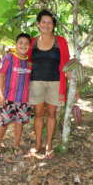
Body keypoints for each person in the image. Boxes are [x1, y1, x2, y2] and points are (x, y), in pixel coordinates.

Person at [28, 9, 70, 158]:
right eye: (43, 22)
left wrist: (68, 86)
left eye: (49, 22)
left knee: (52, 114)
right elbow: (26, 61)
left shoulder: (60, 41)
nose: (46, 25)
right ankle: (38, 144)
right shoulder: (32, 42)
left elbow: (66, 65)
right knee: (38, 114)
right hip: (36, 83)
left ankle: (49, 145)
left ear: (53, 25)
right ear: (38, 24)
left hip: (55, 83)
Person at [0, 33, 32, 157]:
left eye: (26, 44)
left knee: (19, 123)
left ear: (29, 46)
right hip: (9, 99)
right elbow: (0, 75)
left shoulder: (30, 63)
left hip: (24, 100)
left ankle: (16, 145)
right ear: (16, 44)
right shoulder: (9, 58)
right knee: (3, 123)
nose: (23, 45)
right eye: (20, 43)